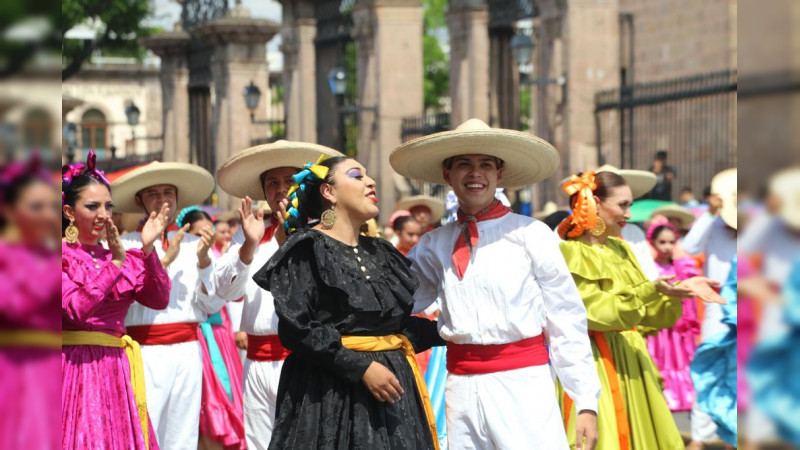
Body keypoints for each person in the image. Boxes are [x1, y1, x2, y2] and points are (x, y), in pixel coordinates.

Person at [391, 118, 601, 449]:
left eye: (485, 164)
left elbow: (565, 315)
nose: (475, 173)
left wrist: (585, 399)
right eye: (464, 164)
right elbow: (396, 298)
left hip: (523, 385)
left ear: (499, 174)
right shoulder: (433, 244)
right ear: (447, 175)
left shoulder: (531, 234)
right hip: (460, 387)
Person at [252, 155, 443, 449]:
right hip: (330, 395)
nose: (370, 181)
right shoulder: (306, 248)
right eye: (357, 175)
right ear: (328, 192)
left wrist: (451, 330)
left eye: (368, 175)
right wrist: (361, 368)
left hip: (392, 395)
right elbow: (297, 329)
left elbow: (396, 327)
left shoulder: (381, 251)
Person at [556, 169, 725, 449]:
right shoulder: (572, 252)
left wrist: (676, 291)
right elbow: (596, 313)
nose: (628, 215)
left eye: (630, 205)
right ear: (595, 204)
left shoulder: (621, 249)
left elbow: (649, 316)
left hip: (634, 357)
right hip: (597, 361)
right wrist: (652, 290)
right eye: (623, 205)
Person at [111, 161, 262, 450]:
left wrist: (205, 262)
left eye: (168, 191)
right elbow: (121, 297)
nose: (162, 198)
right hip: (143, 352)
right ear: (139, 201)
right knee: (144, 429)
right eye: (153, 193)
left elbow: (213, 304)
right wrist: (147, 251)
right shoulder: (124, 244)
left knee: (183, 434)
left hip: (187, 351)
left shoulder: (196, 245)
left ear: (178, 199)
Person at [216, 140, 344, 449]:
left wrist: (294, 238)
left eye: (289, 180)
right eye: (272, 183)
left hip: (306, 359)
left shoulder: (327, 228)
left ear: (304, 185)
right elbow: (224, 290)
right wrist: (248, 245)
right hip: (257, 363)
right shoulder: (250, 231)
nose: (280, 189)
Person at [61, 152, 172, 449]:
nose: (103, 214)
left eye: (108, 206)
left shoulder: (120, 256)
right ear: (69, 212)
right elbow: (75, 309)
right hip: (74, 368)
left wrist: (148, 250)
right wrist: (116, 264)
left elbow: (159, 299)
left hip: (116, 368)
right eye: (92, 206)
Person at [0, 155, 61, 449]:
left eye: (51, 207)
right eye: (36, 207)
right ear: (10, 212)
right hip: (12, 372)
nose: (47, 215)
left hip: (55, 372)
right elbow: (17, 305)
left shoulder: (54, 253)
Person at [174, 206, 247, 450]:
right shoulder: (182, 257)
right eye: (198, 233)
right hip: (198, 336)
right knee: (205, 393)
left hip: (220, 333)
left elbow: (230, 298)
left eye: (209, 230)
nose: (206, 235)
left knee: (226, 387)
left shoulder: (219, 255)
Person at [682, 168, 738, 449]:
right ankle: (700, 437)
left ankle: (736, 436)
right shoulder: (714, 226)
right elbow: (689, 246)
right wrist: (710, 213)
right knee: (708, 366)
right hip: (717, 308)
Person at [645, 221, 701, 412]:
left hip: (678, 326)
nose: (667, 247)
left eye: (671, 242)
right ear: (652, 242)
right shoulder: (647, 267)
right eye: (662, 242)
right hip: (658, 326)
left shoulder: (682, 267)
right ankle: (662, 394)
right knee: (661, 358)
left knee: (679, 359)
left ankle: (683, 396)